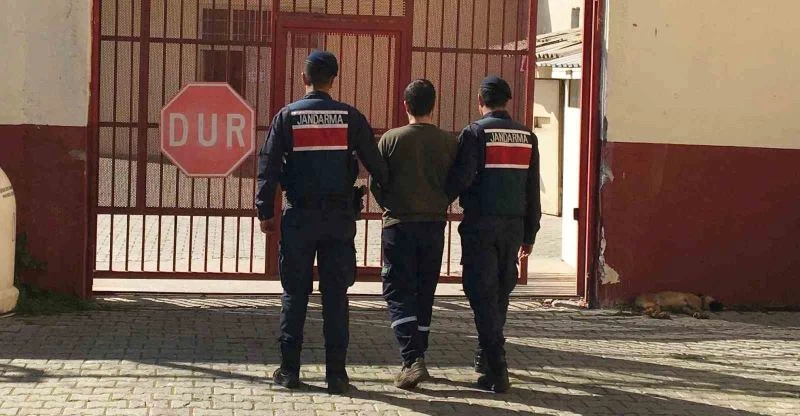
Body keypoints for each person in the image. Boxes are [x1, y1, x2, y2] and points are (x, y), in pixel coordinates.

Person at [256, 51, 389, 395]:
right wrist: (391, 199)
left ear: (304, 78)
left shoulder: (287, 117)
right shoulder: (350, 117)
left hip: (299, 217)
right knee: (335, 296)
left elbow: (268, 165)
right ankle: (337, 375)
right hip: (338, 219)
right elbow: (376, 164)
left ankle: (289, 371)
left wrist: (265, 211)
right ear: (334, 79)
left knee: (294, 293)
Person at [446, 75, 541, 393]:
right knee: (499, 292)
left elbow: (462, 179)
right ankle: (486, 358)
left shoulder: (475, 133)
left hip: (481, 226)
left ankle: (498, 369)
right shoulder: (527, 136)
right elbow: (532, 189)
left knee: (481, 293)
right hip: (513, 228)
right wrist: (530, 234)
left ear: (480, 101)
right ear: (507, 101)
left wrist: (438, 198)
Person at [370, 79, 458, 389]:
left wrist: (391, 205)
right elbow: (457, 180)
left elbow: (376, 182)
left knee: (397, 290)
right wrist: (440, 202)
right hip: (434, 225)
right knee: (424, 291)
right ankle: (418, 355)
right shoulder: (449, 142)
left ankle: (412, 359)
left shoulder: (391, 139)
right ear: (433, 105)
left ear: (405, 105)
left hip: (399, 225)